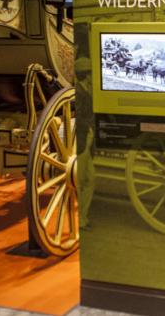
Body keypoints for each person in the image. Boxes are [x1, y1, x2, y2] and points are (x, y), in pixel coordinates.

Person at [75, 55, 95, 231]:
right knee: (81, 181)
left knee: (90, 180)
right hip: (82, 141)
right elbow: (79, 117)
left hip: (86, 141)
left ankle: (82, 215)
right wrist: (89, 128)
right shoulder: (79, 93)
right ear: (87, 74)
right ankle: (79, 218)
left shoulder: (84, 90)